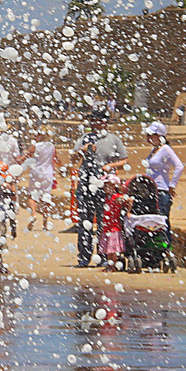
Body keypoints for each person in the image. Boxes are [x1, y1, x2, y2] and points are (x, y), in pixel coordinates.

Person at [71, 109, 128, 267]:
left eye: (97, 120)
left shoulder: (113, 139)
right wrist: (82, 151)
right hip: (86, 183)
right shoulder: (84, 138)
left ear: (104, 122)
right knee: (84, 222)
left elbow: (124, 161)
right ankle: (84, 257)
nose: (93, 123)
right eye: (92, 120)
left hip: (105, 186)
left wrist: (110, 165)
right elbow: (72, 158)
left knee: (105, 221)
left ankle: (103, 255)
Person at [142, 121, 184, 244]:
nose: (148, 138)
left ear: (159, 136)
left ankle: (166, 248)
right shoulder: (154, 150)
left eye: (151, 135)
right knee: (151, 222)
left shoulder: (165, 149)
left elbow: (179, 166)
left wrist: (172, 185)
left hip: (161, 191)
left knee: (162, 222)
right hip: (151, 191)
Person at [23, 129, 60, 231]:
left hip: (36, 173)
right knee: (46, 198)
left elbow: (25, 157)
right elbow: (57, 159)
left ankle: (34, 214)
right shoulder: (51, 146)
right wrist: (63, 168)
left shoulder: (35, 146)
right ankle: (45, 223)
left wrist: (19, 160)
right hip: (48, 174)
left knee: (32, 196)